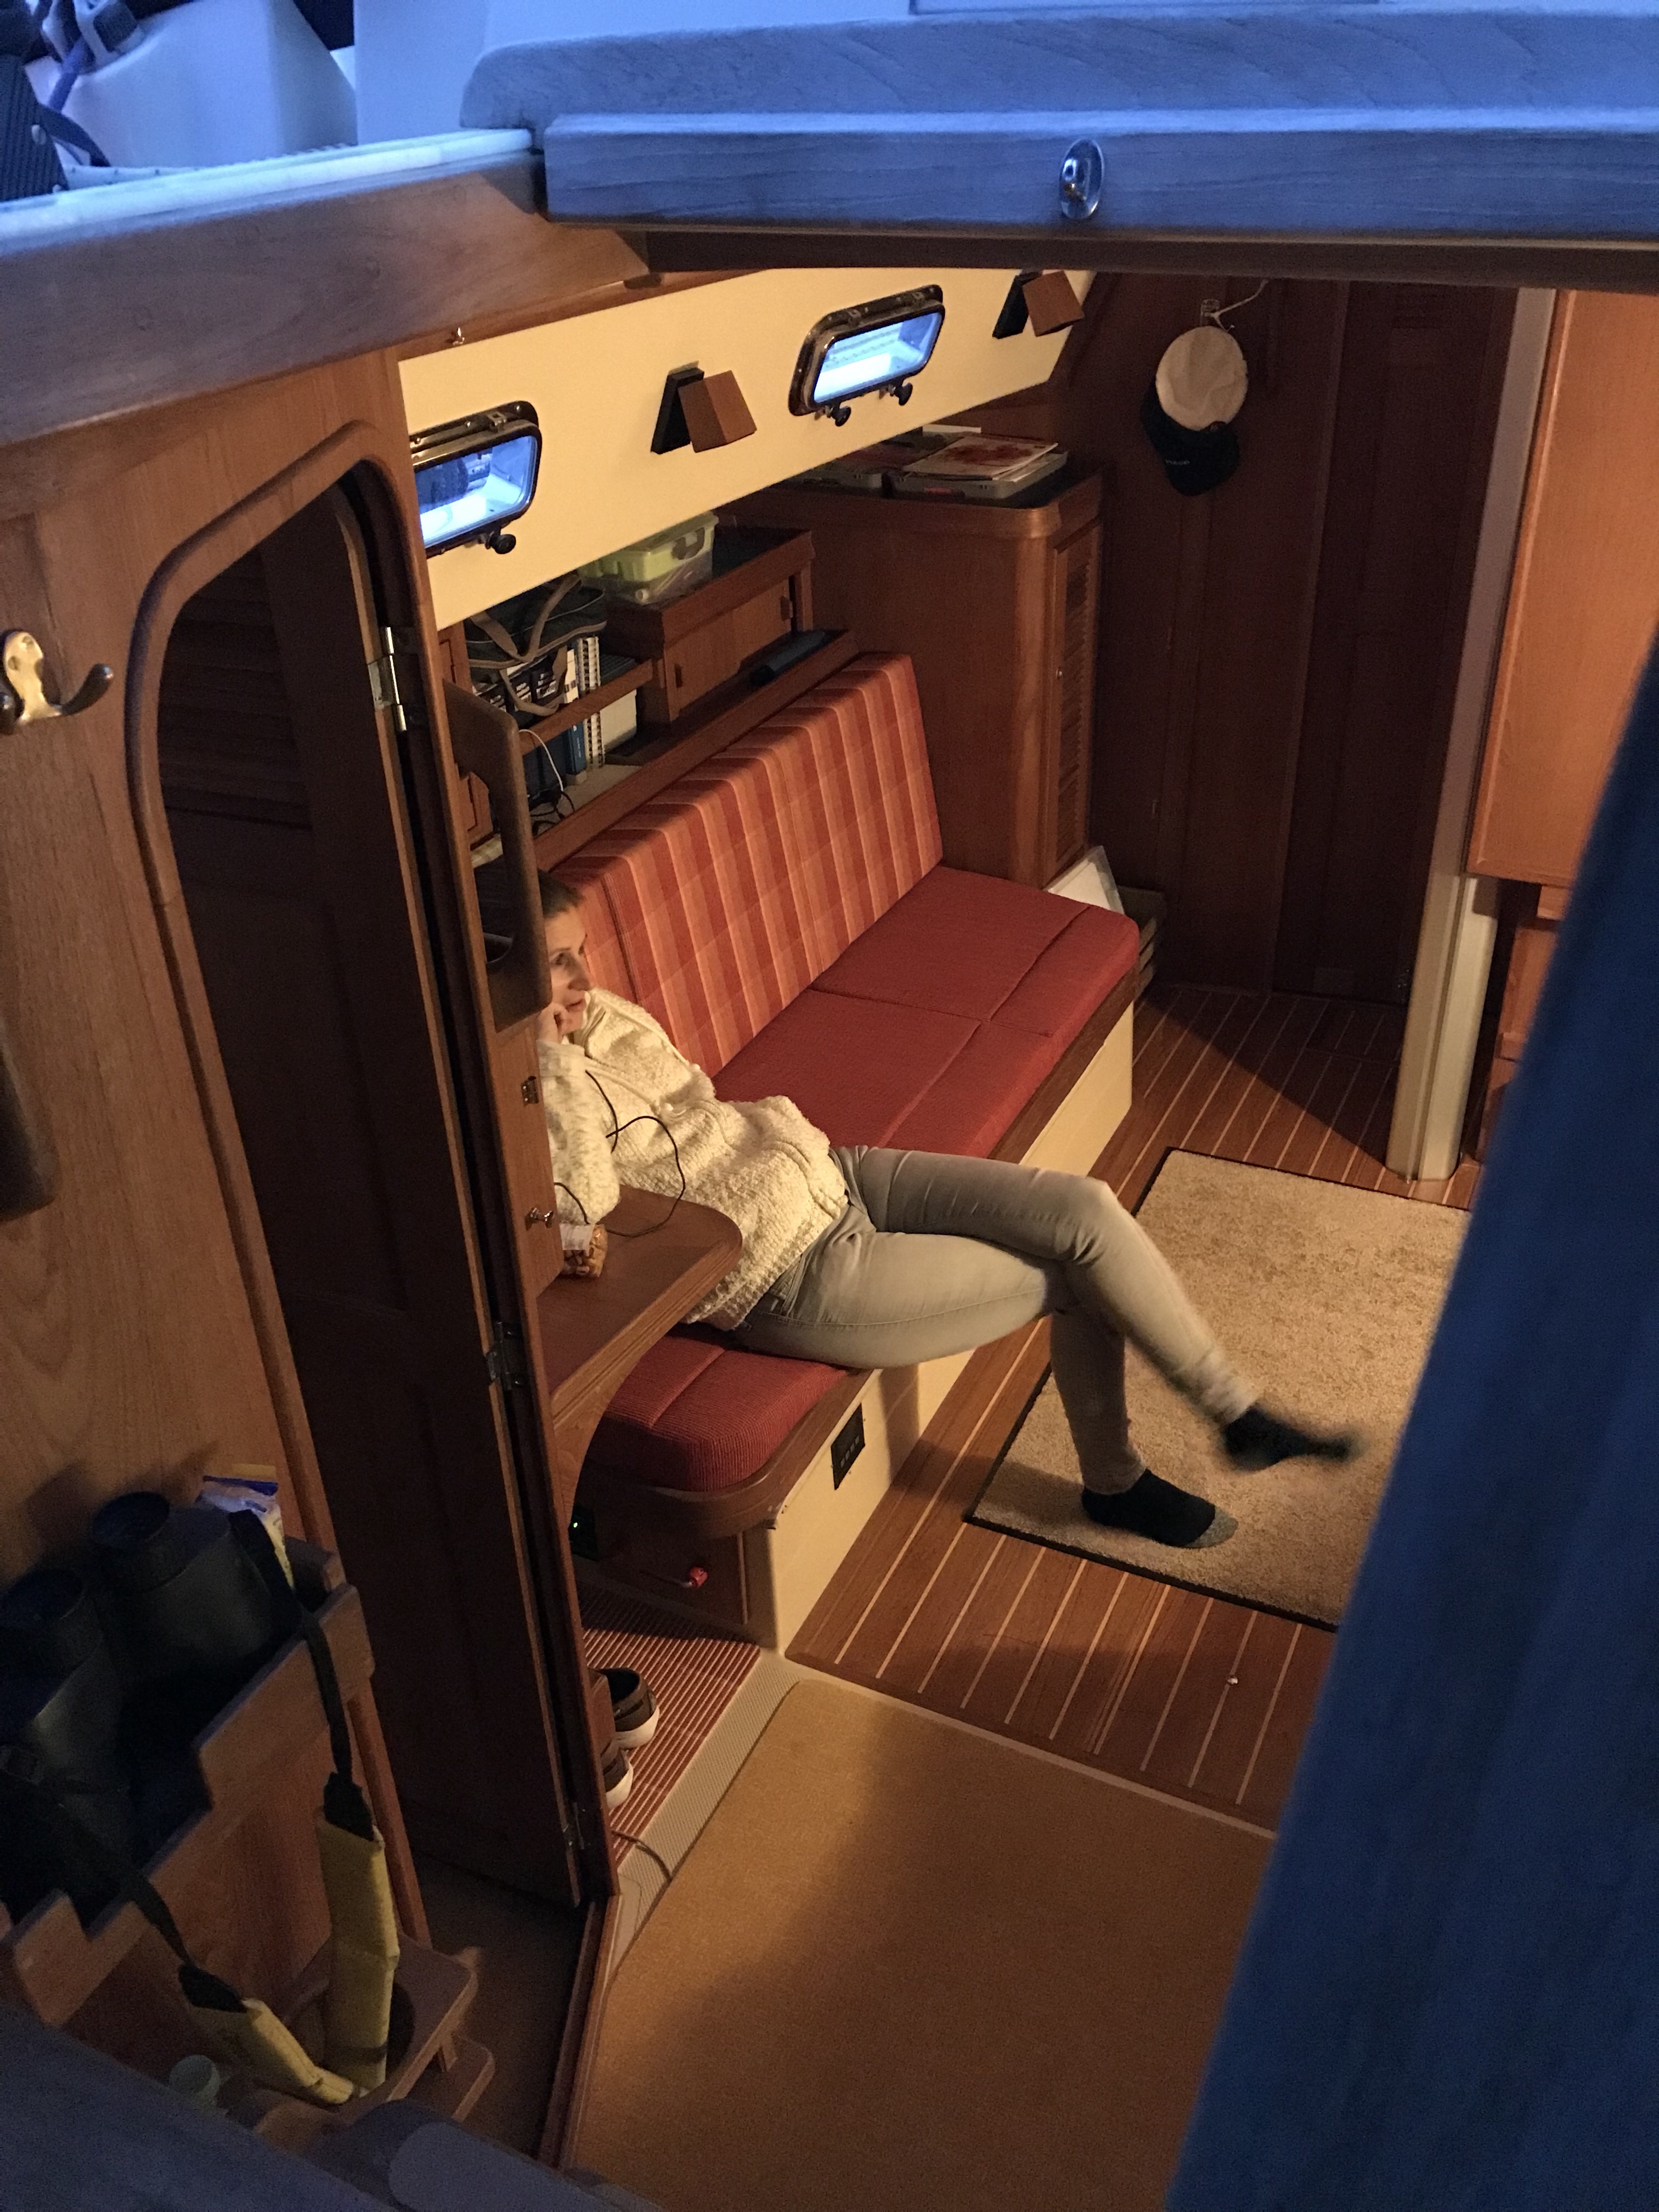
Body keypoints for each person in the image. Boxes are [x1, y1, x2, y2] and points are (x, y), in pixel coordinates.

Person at [534, 873, 1355, 1549]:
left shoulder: (599, 1017)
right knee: (1079, 1281)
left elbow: (696, 1097)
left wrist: (573, 1026)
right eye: (557, 964)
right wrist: (543, 1055)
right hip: (792, 1272)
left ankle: (1239, 1415)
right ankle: (1118, 1484)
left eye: (582, 952)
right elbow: (583, 1211)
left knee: (1085, 1208)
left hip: (830, 1170)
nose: (584, 981)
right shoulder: (523, 1099)